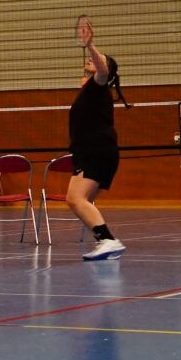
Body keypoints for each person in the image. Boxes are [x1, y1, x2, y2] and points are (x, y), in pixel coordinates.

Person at [63, 15, 126, 260]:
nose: (91, 60)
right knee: (81, 201)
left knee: (75, 198)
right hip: (94, 152)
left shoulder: (99, 84)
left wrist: (90, 45)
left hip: (96, 152)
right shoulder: (91, 91)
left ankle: (108, 241)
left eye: (97, 59)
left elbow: (103, 69)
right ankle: (106, 242)